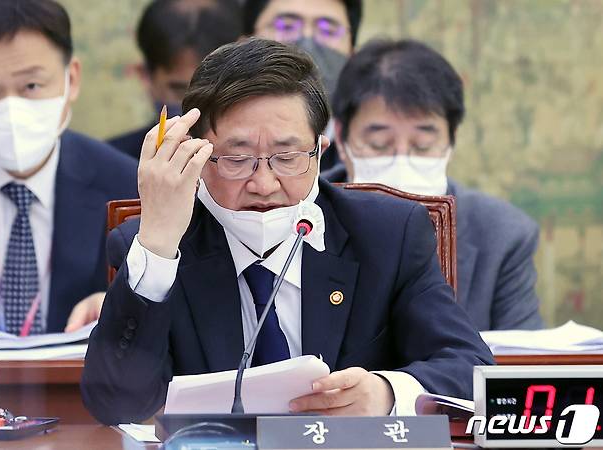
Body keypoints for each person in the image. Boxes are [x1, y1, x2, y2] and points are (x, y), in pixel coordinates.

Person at [81, 38, 494, 425]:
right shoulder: (156, 246)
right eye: (237, 159)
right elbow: (115, 404)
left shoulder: (387, 236)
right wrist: (157, 245)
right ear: (196, 156)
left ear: (320, 152)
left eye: (288, 157)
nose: (264, 184)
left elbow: (471, 370)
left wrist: (386, 393)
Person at [0, 0, 138, 334]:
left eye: (31, 86)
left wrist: (121, 305)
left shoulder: (126, 184)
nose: (11, 110)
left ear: (71, 79)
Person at [324, 39, 543, 331]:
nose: (401, 160)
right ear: (341, 137)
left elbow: (520, 352)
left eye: (423, 144)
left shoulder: (503, 235)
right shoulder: (300, 212)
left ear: (452, 140)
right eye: (379, 143)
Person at [108, 0, 243, 160]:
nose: (197, 110)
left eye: (216, 90)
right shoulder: (110, 165)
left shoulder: (266, 160)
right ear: (145, 76)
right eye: (181, 92)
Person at [243, 0, 362, 171]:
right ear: (243, 43)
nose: (307, 41)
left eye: (327, 31)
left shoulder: (368, 152)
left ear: (352, 53)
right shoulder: (213, 143)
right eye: (287, 26)